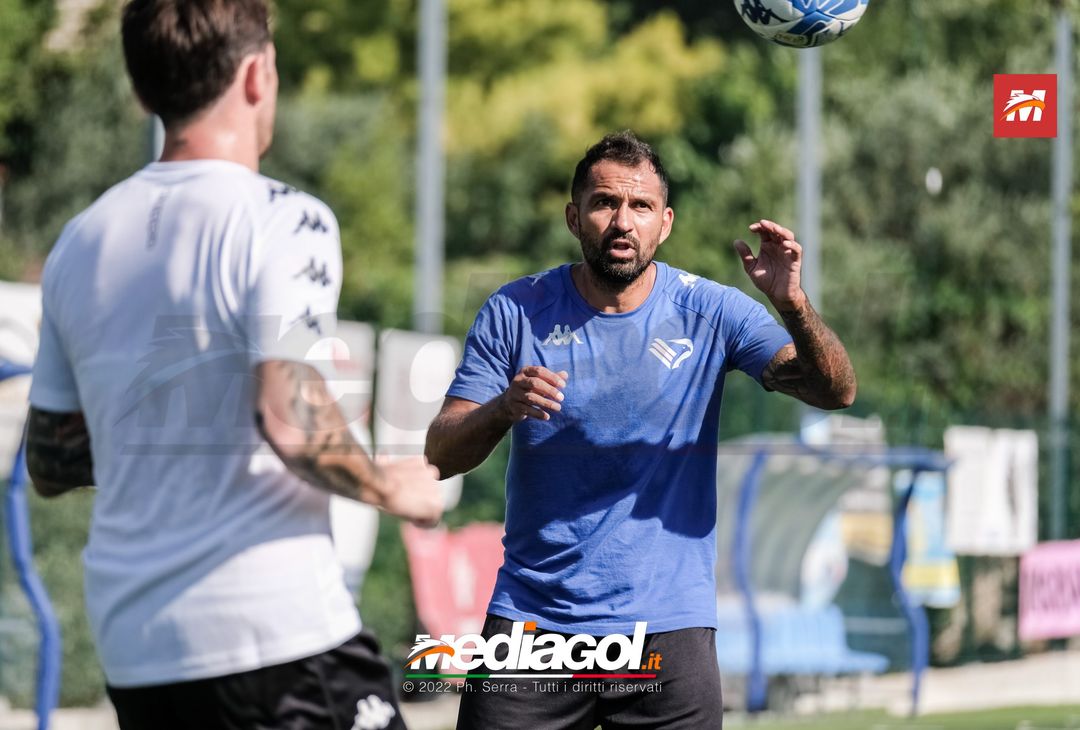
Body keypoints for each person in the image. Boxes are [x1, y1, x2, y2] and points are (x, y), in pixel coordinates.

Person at [25, 2, 442, 728]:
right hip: (274, 637)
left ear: (141, 90)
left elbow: (52, 463)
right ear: (259, 74)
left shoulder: (76, 244)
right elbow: (292, 417)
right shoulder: (285, 218)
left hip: (137, 651)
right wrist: (391, 486)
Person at [425, 130, 856, 729]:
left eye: (641, 206)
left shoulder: (712, 312)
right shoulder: (515, 310)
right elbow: (440, 453)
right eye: (605, 203)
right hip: (536, 621)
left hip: (668, 627)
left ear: (666, 222)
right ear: (574, 217)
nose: (622, 221)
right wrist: (503, 406)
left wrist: (793, 305)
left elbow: (835, 391)